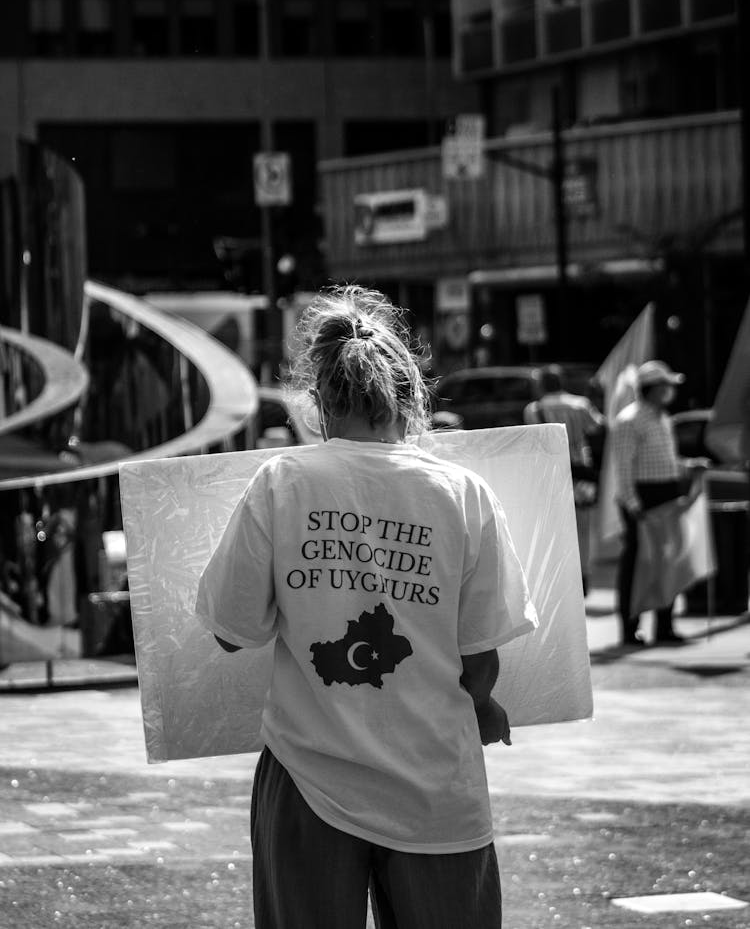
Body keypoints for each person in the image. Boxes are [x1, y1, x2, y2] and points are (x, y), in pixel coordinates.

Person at [195, 285, 538, 929]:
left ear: (319, 402)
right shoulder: (462, 493)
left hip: (307, 778)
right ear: (409, 396)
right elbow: (480, 658)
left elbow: (229, 634)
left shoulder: (283, 482)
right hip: (436, 786)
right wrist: (485, 705)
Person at [611, 359, 701, 647]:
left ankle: (664, 625)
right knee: (638, 565)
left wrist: (688, 466)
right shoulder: (629, 420)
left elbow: (666, 461)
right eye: (666, 386)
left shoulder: (662, 418)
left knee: (667, 562)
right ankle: (629, 628)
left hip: (665, 494)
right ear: (652, 389)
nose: (670, 391)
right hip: (643, 499)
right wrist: (634, 506)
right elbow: (623, 470)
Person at [523, 365, 606, 595]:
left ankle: (561, 575)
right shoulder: (581, 405)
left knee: (555, 526)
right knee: (583, 527)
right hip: (581, 471)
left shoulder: (534, 409)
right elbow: (600, 427)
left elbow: (534, 441)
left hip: (552, 474)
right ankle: (584, 576)